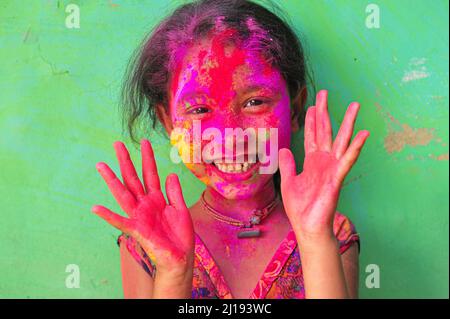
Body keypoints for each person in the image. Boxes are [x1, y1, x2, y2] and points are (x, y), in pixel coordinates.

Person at [92, 0, 369, 299]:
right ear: (169, 123)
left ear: (296, 109)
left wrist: (315, 241)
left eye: (255, 102)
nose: (230, 137)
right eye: (199, 109)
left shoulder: (332, 233)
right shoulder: (149, 243)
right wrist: (174, 274)